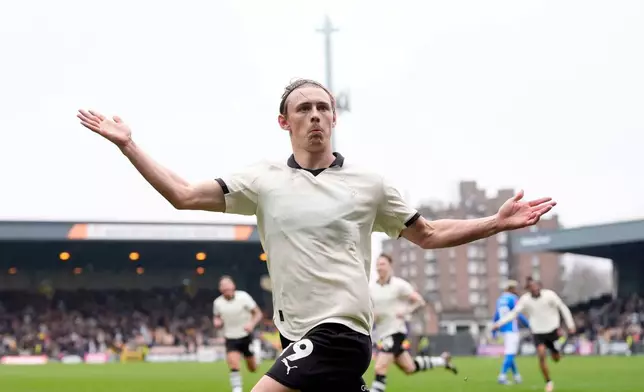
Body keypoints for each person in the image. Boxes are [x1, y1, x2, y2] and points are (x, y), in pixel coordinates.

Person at [77, 78, 557, 392]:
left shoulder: (370, 184)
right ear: (284, 122)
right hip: (293, 333)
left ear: (334, 119)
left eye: (323, 108)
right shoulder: (261, 180)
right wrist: (129, 145)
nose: (315, 115)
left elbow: (428, 233)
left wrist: (496, 222)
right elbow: (182, 194)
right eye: (303, 108)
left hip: (341, 330)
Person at [370, 254, 457, 392]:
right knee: (409, 368)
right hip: (382, 332)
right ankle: (442, 361)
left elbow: (420, 301)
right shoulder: (372, 288)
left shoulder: (399, 285)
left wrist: (406, 311)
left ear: (390, 266)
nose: (379, 267)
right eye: (378, 264)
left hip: (395, 332)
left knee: (380, 367)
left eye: (383, 264)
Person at [492, 278, 575, 392]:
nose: (535, 289)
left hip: (552, 330)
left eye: (536, 286)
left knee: (556, 358)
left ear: (540, 286)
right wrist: (498, 324)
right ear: (528, 289)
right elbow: (514, 313)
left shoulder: (549, 295)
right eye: (532, 287)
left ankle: (556, 353)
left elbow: (562, 308)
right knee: (541, 355)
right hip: (537, 332)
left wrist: (570, 324)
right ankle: (548, 382)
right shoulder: (525, 299)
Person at [213, 276, 263, 392]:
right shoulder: (218, 303)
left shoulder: (244, 297)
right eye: (224, 290)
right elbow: (216, 317)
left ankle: (256, 355)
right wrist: (217, 322)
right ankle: (237, 389)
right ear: (221, 290)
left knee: (253, 368)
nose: (227, 292)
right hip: (230, 337)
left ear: (233, 286)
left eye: (229, 289)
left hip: (245, 336)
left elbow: (258, 313)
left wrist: (251, 324)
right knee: (233, 364)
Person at [492, 280, 530, 385]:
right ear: (511, 289)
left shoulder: (499, 299)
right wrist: (529, 324)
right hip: (512, 329)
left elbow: (495, 316)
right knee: (510, 353)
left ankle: (517, 376)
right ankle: (502, 376)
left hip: (503, 329)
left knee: (510, 352)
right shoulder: (513, 298)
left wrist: (494, 330)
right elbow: (517, 313)